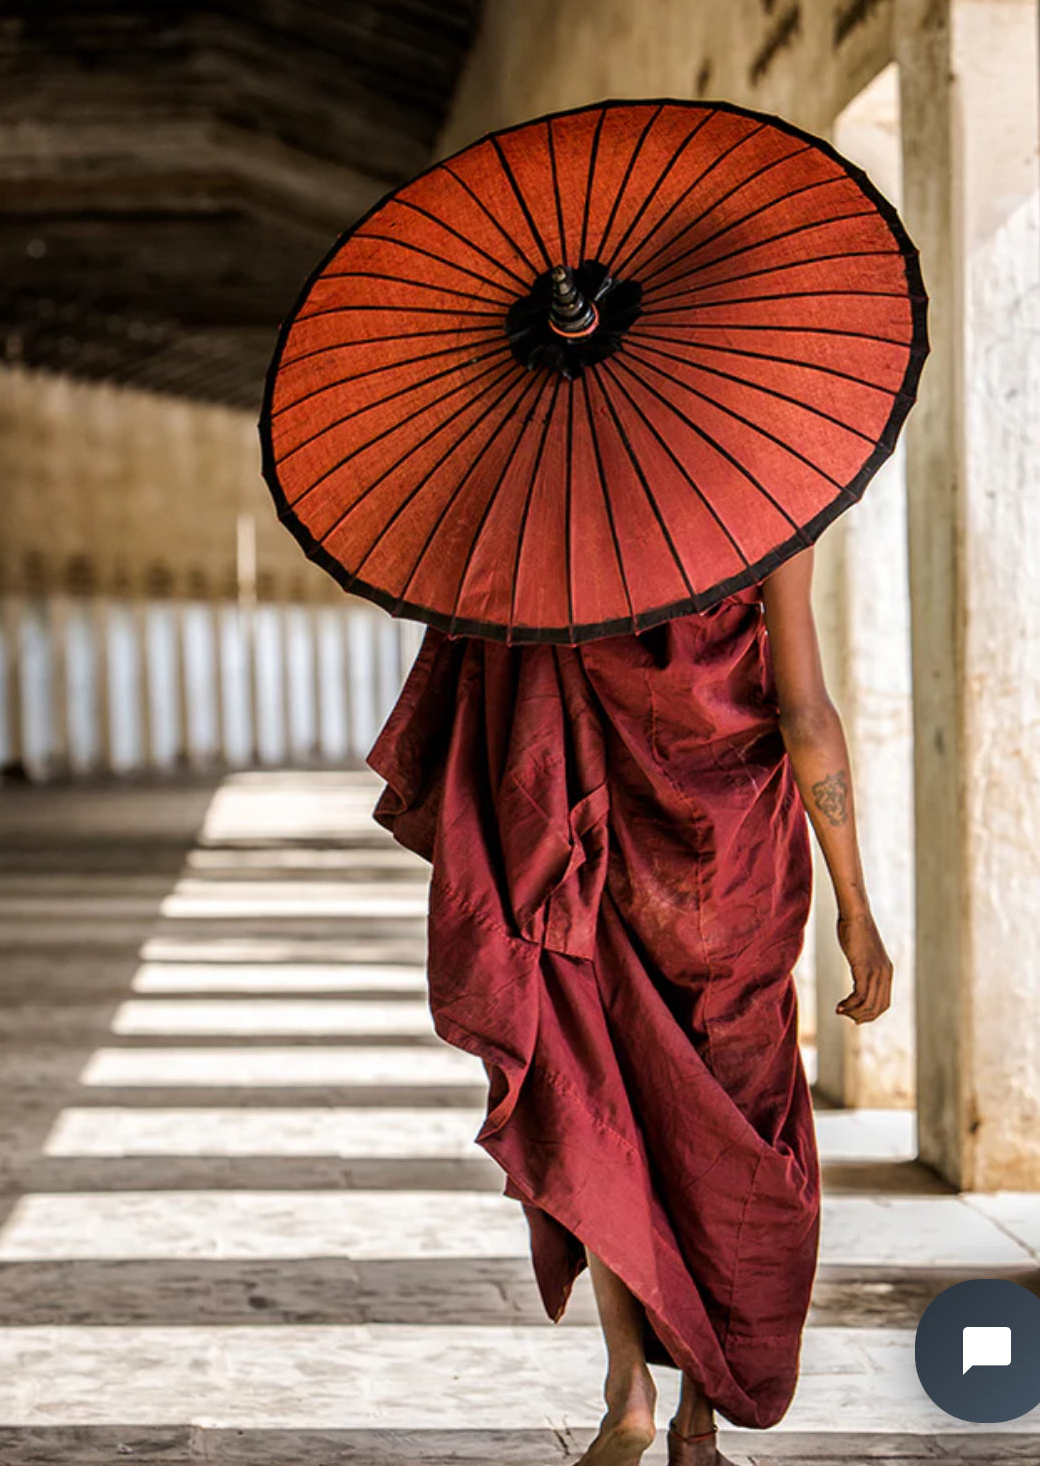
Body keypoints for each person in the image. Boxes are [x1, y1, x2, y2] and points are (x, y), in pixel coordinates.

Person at [368, 539, 894, 1466]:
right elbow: (804, 713)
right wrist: (857, 905)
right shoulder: (766, 508)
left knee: (602, 1101)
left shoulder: (549, 517)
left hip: (598, 855)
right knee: (740, 1128)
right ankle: (698, 1426)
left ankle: (629, 1389)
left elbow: (509, 712)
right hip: (739, 877)